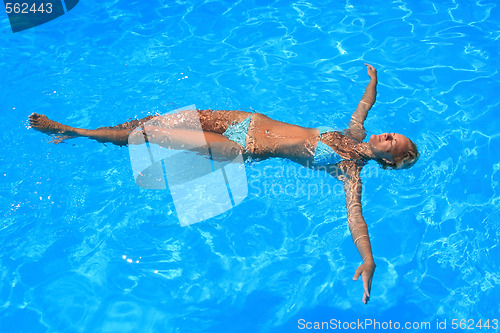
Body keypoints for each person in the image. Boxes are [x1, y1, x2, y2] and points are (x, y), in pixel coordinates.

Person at [29, 63, 419, 304]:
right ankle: (86, 135)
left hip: (238, 145)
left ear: (391, 162)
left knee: (150, 135)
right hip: (242, 119)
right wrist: (374, 80)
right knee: (143, 125)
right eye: (392, 135)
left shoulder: (350, 170)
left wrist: (367, 260)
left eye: (392, 144)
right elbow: (365, 104)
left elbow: (356, 218)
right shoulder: (354, 132)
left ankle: (69, 129)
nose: (387, 137)